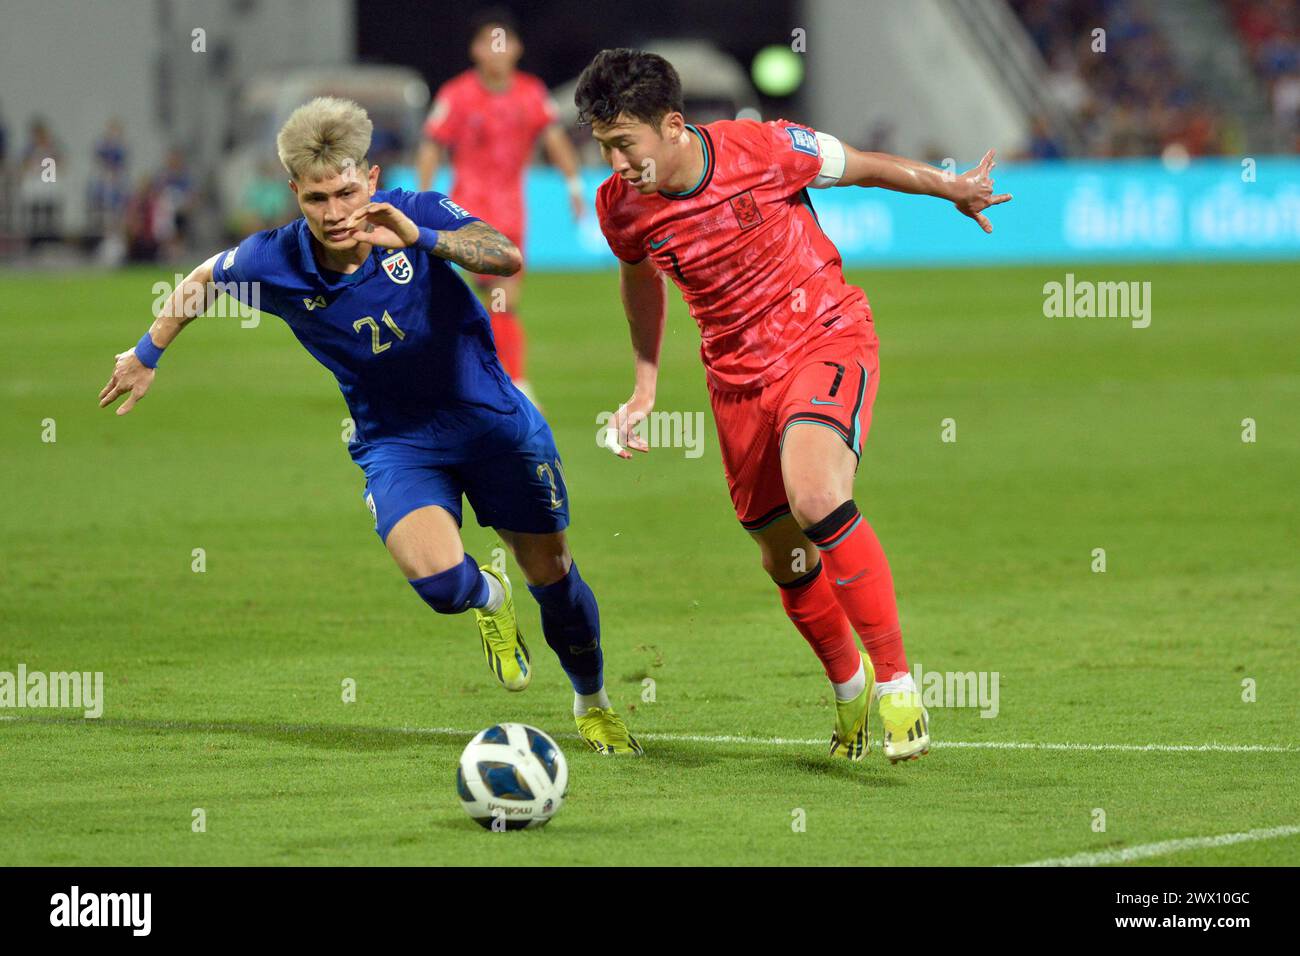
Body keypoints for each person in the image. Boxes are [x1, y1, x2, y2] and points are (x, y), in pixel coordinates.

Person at [98, 96, 641, 755]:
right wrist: (146, 353)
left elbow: (503, 255)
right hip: (397, 444)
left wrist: (424, 240)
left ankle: (593, 701)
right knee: (441, 586)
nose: (335, 213)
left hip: (495, 428)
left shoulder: (414, 214)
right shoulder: (275, 260)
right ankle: (490, 598)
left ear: (371, 180)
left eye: (346, 193)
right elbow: (206, 276)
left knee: (553, 574)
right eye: (317, 198)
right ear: (295, 192)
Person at [578, 49, 1012, 763]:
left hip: (823, 337)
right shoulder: (620, 206)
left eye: (624, 143)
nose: (617, 160)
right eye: (603, 146)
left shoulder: (766, 148)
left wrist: (950, 188)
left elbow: (865, 164)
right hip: (735, 382)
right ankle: (850, 689)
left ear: (674, 126)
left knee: (817, 495)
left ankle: (899, 683)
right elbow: (641, 281)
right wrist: (646, 380)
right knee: (786, 560)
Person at [416, 7, 585, 404]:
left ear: (518, 48)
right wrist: (422, 196)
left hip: (510, 215)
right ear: (475, 51)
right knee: (462, 300)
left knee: (503, 301)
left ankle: (511, 380)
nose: (496, 52)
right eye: (488, 43)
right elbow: (431, 145)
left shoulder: (531, 93)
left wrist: (574, 183)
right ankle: (479, 379)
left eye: (503, 43)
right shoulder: (456, 95)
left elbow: (554, 138)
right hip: (463, 214)